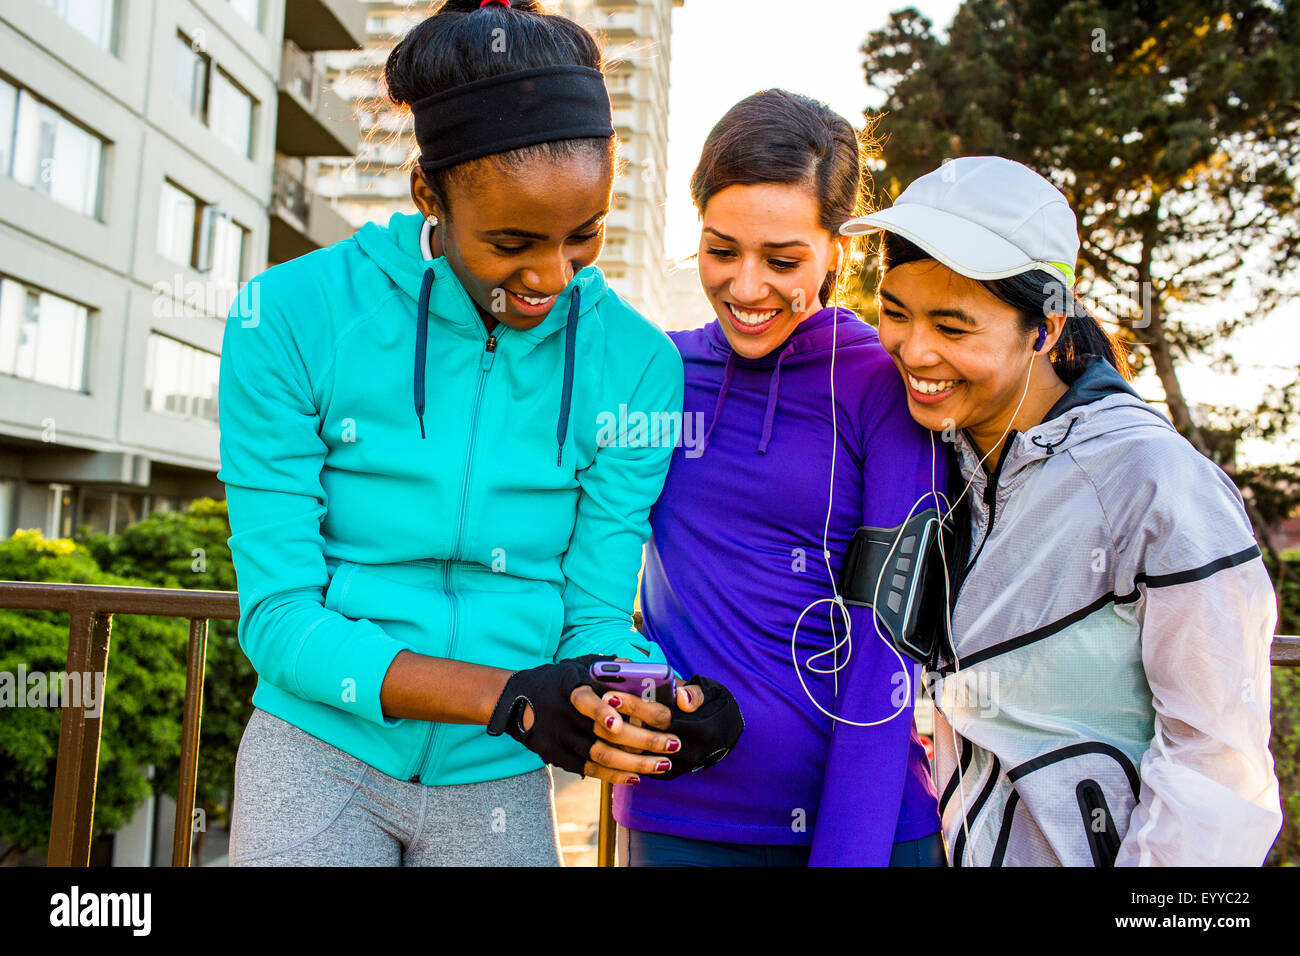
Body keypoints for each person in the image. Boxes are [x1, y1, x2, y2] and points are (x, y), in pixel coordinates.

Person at [219, 0, 738, 867]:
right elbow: (276, 618)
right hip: (317, 752)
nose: (549, 278)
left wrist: (652, 697)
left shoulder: (638, 365)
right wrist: (507, 698)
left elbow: (592, 618)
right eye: (511, 242)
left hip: (498, 773)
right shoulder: (288, 318)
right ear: (429, 193)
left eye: (585, 237)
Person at [840, 155, 1284, 865]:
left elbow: (1219, 771)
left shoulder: (1156, 483)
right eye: (895, 312)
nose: (913, 350)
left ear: (1046, 329)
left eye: (953, 328)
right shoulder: (938, 455)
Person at [612, 90, 945, 867]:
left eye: (784, 260)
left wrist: (848, 855)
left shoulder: (885, 383)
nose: (748, 287)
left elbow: (887, 647)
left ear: (840, 251)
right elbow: (585, 570)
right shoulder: (658, 370)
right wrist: (634, 675)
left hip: (861, 827)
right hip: (673, 815)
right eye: (721, 251)